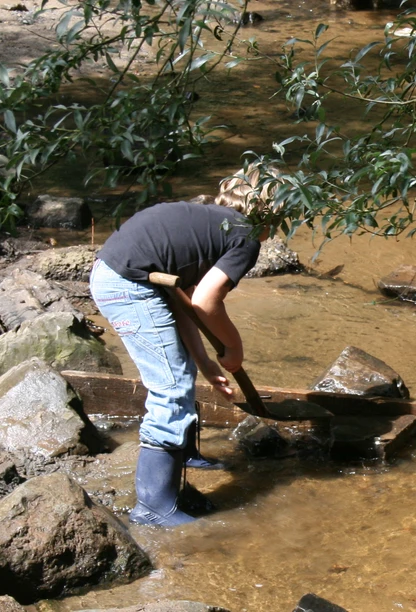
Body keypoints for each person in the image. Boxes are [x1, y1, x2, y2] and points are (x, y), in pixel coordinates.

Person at [88, 167, 280, 527]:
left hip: (115, 274)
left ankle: (185, 455)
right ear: (271, 214)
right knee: (171, 386)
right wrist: (233, 347)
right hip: (128, 285)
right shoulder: (246, 236)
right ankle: (154, 507)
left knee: (180, 370)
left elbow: (183, 303)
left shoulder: (208, 220)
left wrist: (207, 360)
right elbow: (207, 302)